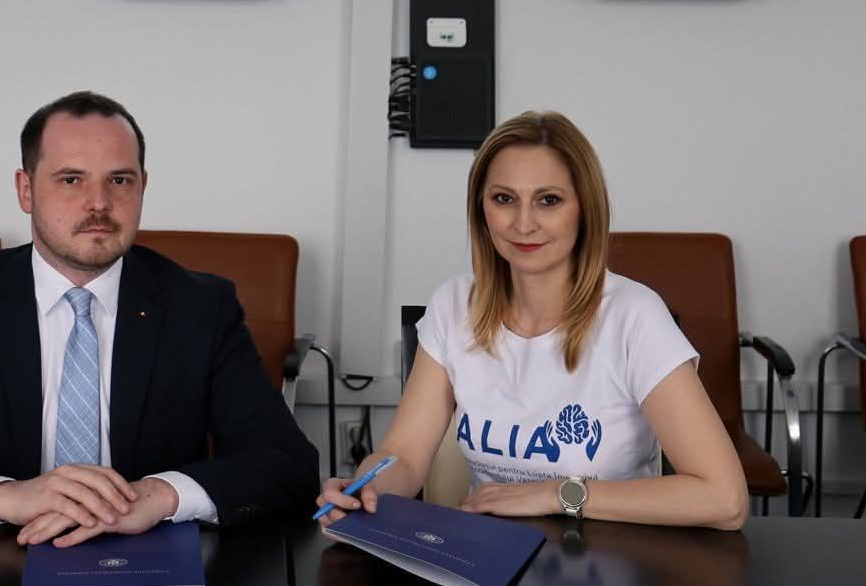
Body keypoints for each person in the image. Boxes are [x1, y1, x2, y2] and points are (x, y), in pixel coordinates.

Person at [0, 91, 319, 544]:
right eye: (71, 179)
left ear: (143, 187)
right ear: (26, 190)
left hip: (154, 560)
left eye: (119, 180)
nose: (99, 203)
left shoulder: (200, 306)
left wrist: (161, 495)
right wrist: (3, 496)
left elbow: (287, 463)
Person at [317, 110, 747, 530]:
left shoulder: (634, 315)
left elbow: (724, 499)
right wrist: (366, 489)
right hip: (489, 554)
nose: (523, 223)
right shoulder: (453, 304)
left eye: (549, 200)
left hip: (609, 555)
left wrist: (557, 494)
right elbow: (404, 457)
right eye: (504, 199)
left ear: (585, 209)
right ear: (481, 210)